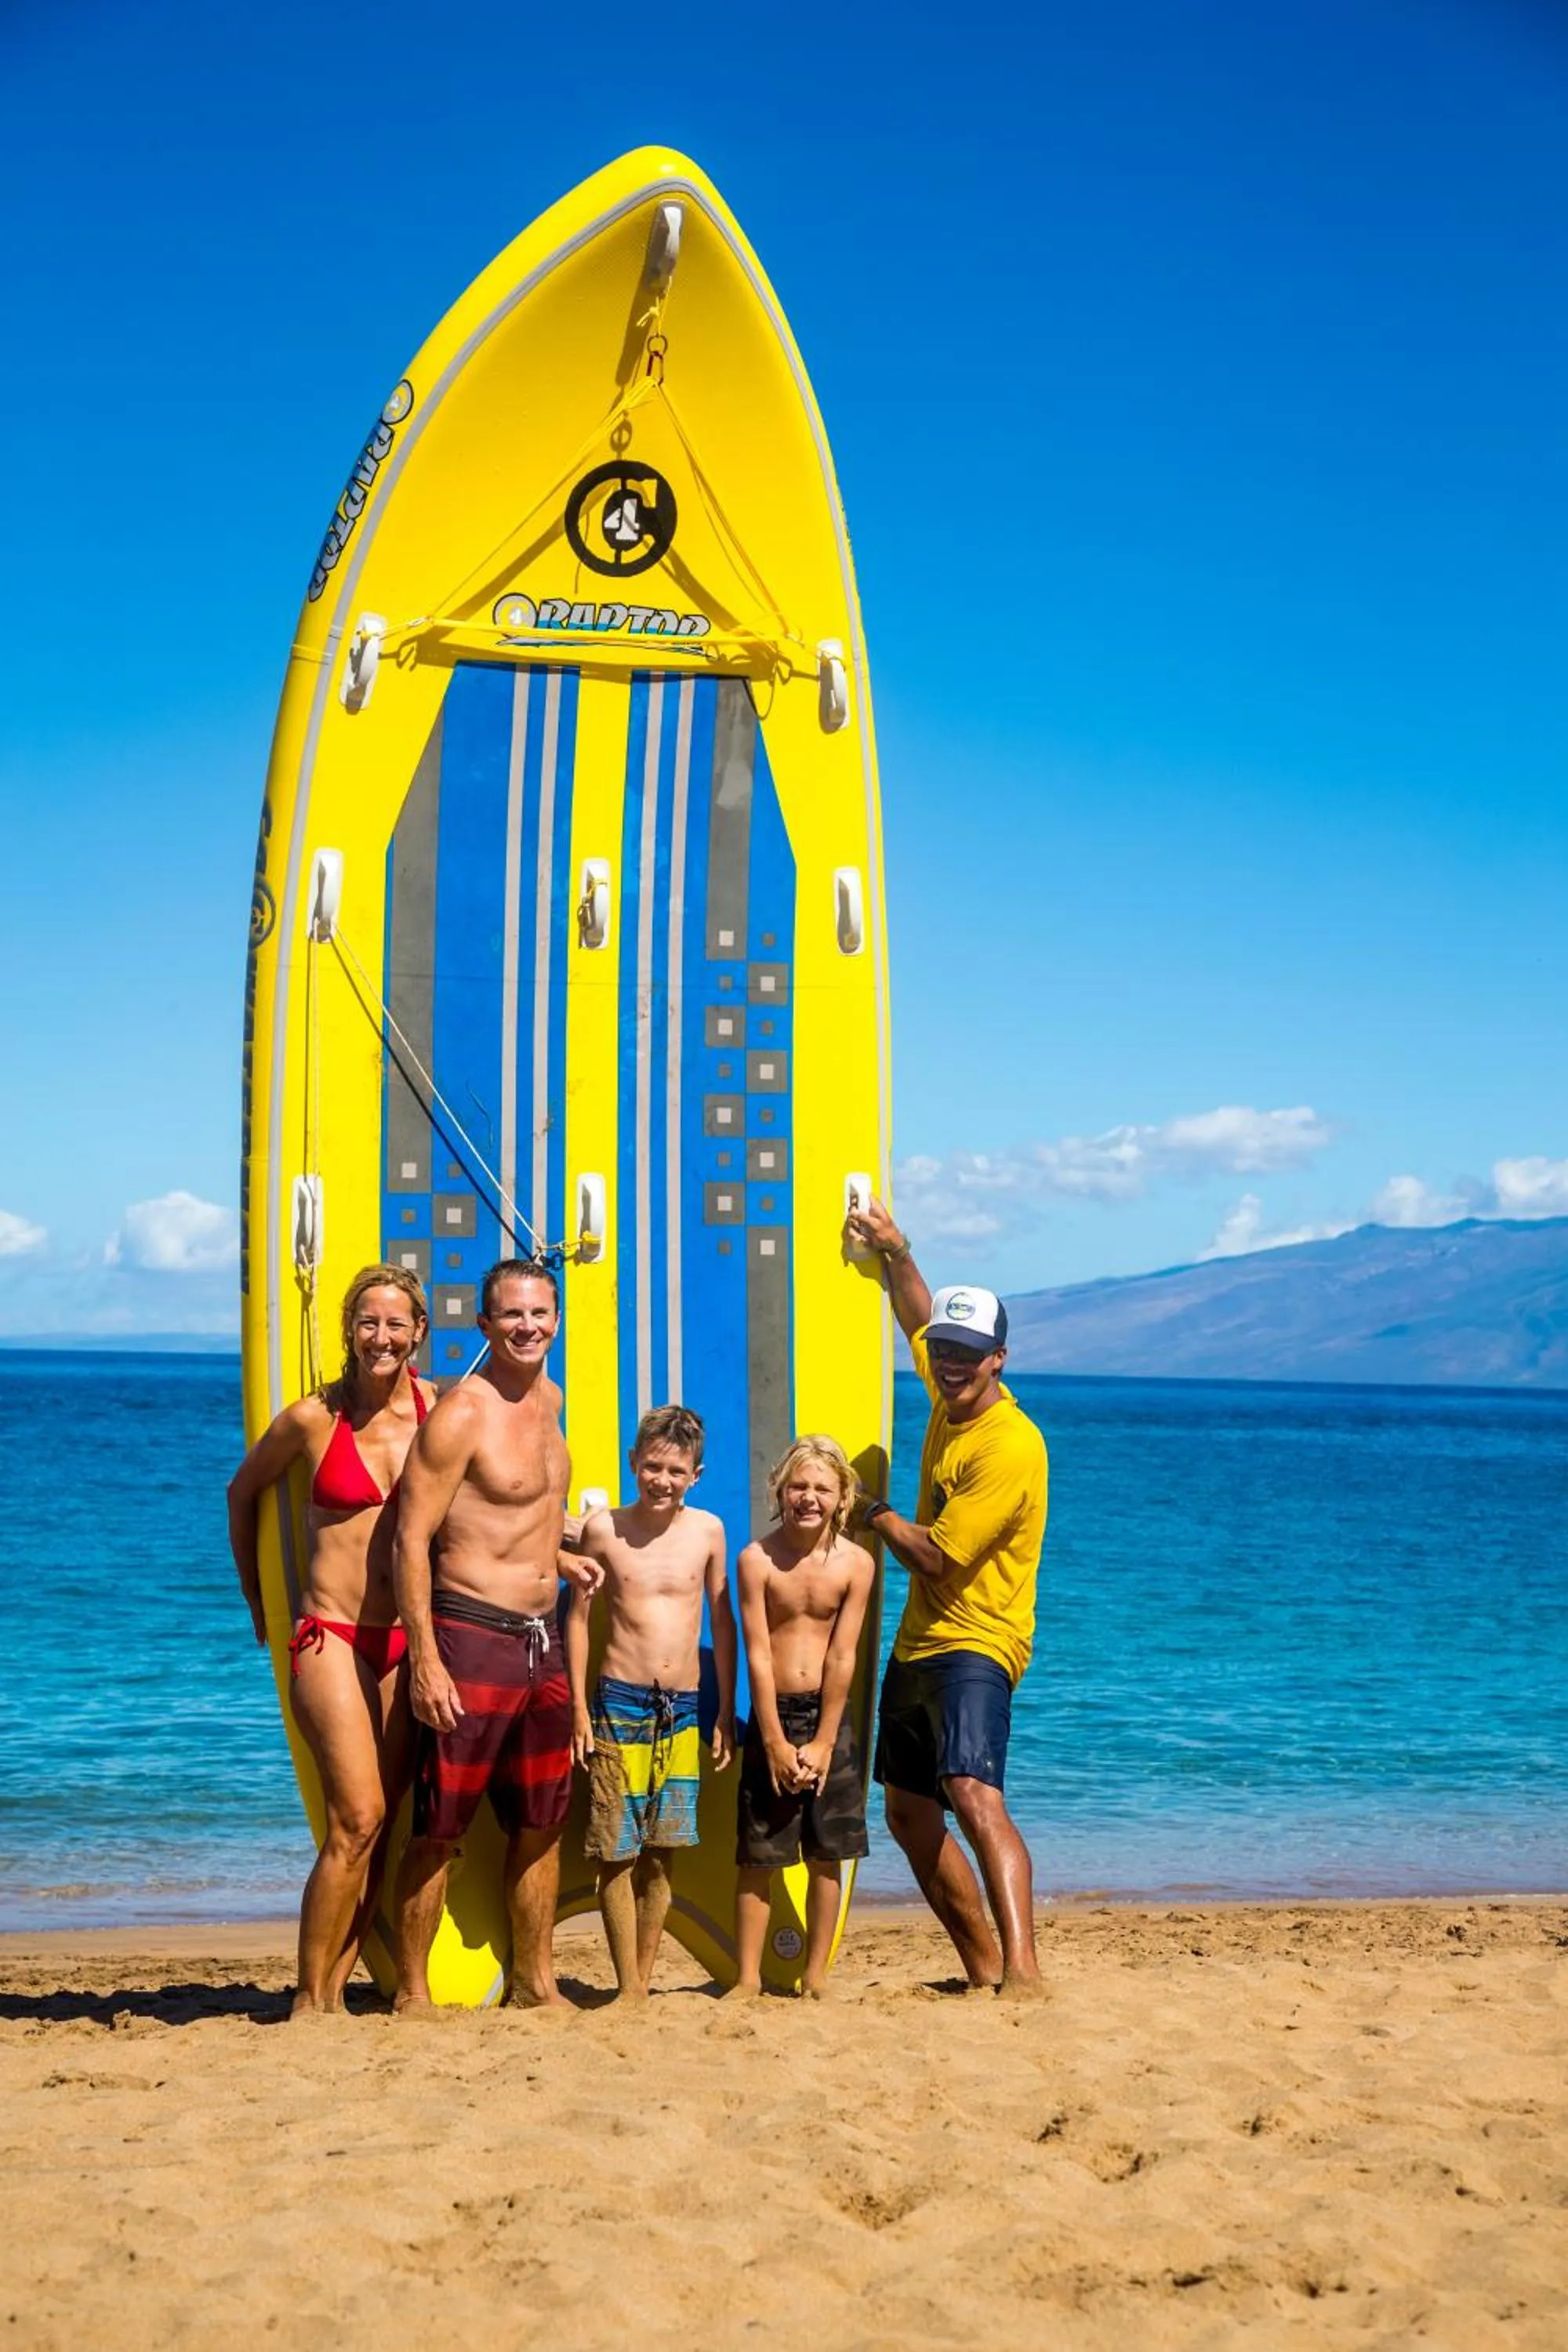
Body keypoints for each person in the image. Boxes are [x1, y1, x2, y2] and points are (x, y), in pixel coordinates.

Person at [844, 1196, 1049, 1996]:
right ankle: (982, 1970)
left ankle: (1024, 1971)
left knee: (970, 1792)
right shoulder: (944, 1384)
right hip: (918, 1644)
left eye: (968, 1353)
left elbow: (933, 1556)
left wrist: (869, 1511)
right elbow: (916, 1316)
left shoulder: (1008, 1445)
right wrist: (896, 1251)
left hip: (980, 1642)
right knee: (905, 1812)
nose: (950, 1364)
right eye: (944, 1351)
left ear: (998, 1358)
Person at [390, 1258, 598, 2010]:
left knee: (542, 1824)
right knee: (440, 1826)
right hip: (471, 1633)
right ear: (484, 1325)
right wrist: (424, 1661)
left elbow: (525, 1517)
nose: (528, 1326)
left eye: (540, 1313)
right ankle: (413, 1991)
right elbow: (412, 1540)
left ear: (557, 1319)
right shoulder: (462, 1414)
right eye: (511, 1315)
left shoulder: (551, 1399)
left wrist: (563, 1558)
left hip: (544, 1640)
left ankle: (535, 1985)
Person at [227, 1264, 435, 2015]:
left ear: (418, 1332)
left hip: (408, 1643)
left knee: (384, 1823)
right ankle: (310, 1999)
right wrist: (258, 1598)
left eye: (397, 1323)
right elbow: (243, 1491)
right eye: (369, 1322)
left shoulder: (438, 1413)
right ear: (349, 1329)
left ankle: (340, 1986)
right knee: (356, 1816)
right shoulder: (313, 1419)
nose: (382, 1336)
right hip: (332, 1637)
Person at [565, 1405, 737, 2003]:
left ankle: (642, 1977)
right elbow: (578, 1620)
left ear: (697, 1474)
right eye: (653, 1467)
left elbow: (722, 1616)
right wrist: (579, 1711)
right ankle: (629, 1987)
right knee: (615, 1852)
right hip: (619, 1701)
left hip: (683, 1707)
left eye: (676, 1470)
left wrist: (724, 1710)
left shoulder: (709, 1531)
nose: (662, 1480)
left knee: (662, 1853)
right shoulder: (603, 1530)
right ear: (633, 1462)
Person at [732, 1436, 876, 1998]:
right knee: (758, 1854)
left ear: (842, 1497)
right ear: (780, 1490)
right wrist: (770, 1738)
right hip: (772, 1715)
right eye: (798, 1486)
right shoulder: (757, 1560)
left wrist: (821, 1742)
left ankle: (816, 1975)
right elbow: (758, 1653)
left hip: (829, 1719)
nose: (808, 1498)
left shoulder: (856, 1565)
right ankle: (747, 1978)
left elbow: (844, 1656)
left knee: (826, 1854)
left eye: (822, 1488)